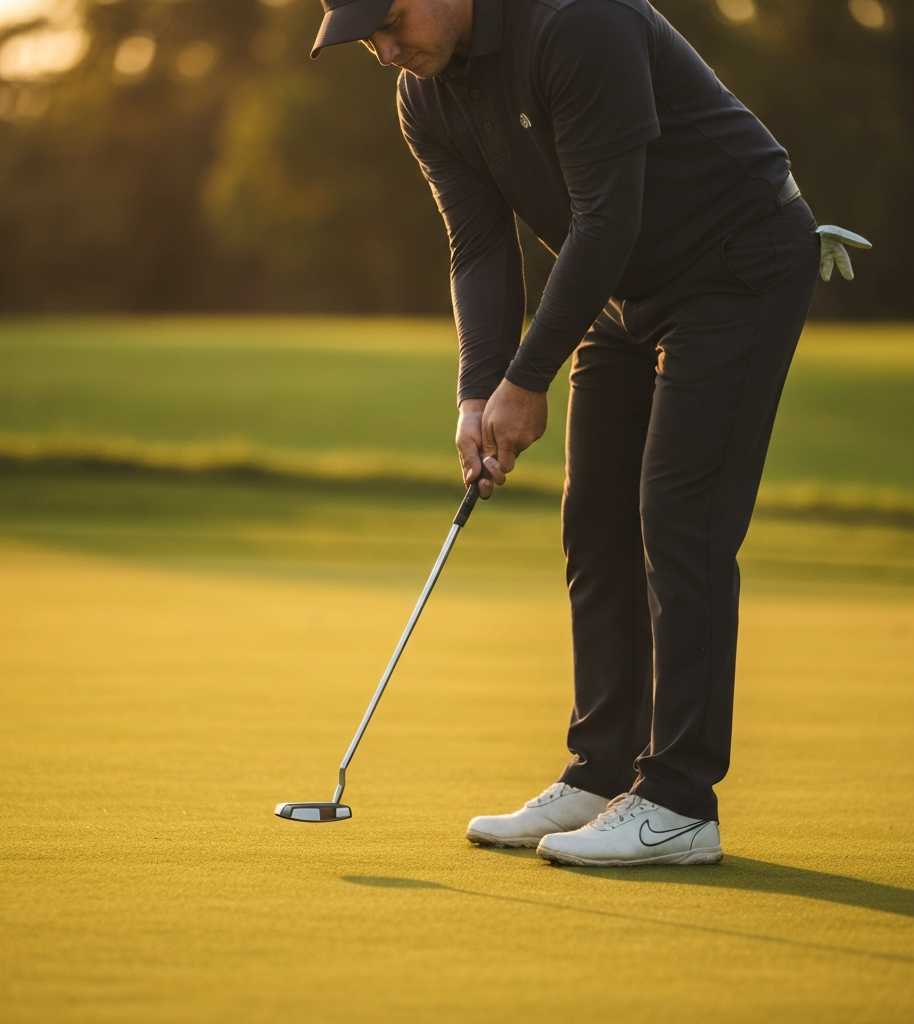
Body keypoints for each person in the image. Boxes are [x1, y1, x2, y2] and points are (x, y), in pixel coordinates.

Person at [310, 0, 868, 866]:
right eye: (363, 40)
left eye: (387, 23)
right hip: (625, 285)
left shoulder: (577, 20)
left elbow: (608, 213)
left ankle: (680, 803)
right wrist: (478, 393)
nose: (382, 50)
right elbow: (480, 245)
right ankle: (602, 772)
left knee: (679, 517)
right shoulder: (426, 94)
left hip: (738, 261)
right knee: (595, 518)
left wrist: (529, 380)